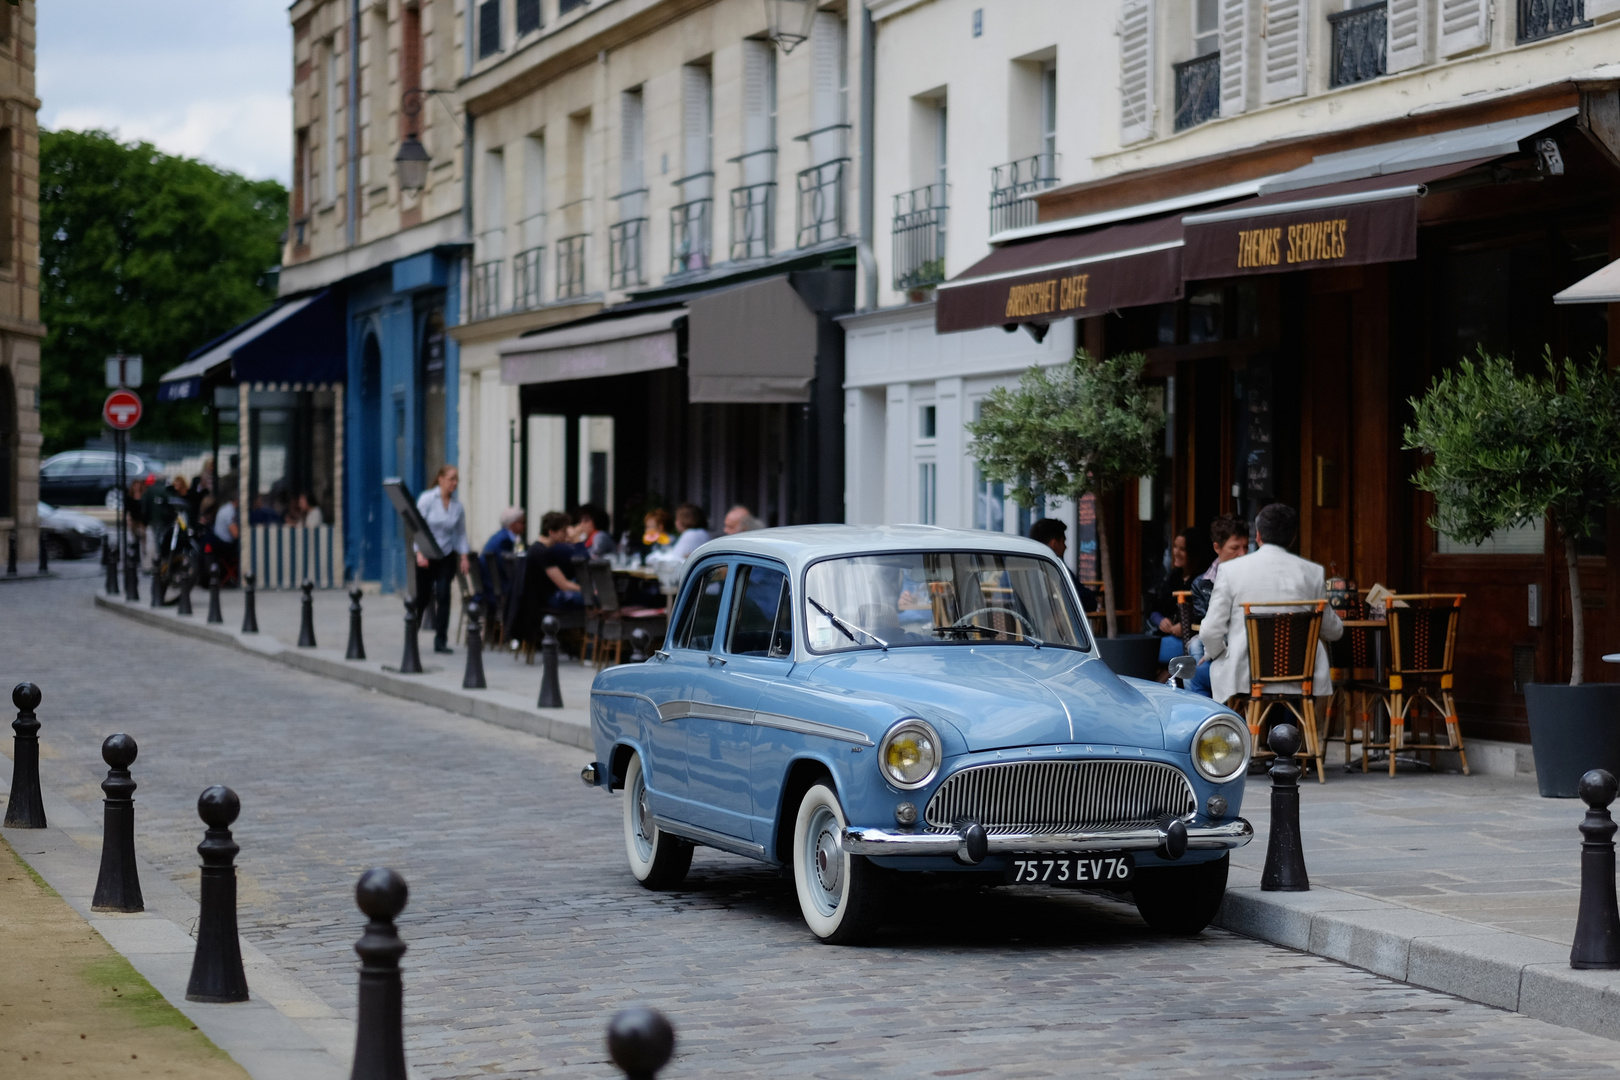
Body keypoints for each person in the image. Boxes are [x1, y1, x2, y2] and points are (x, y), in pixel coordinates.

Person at [1197, 503, 1343, 705]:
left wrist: (1216, 654)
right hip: (1301, 675)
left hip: (1246, 676)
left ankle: (1217, 732)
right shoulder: (1313, 573)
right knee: (1294, 692)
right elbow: (1333, 632)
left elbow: (1210, 630)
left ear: (1258, 536)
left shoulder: (1231, 570)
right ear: (1293, 538)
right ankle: (1290, 732)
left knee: (1196, 675)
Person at [1184, 514, 1251, 696]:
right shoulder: (1202, 583)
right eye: (1235, 548)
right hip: (1217, 643)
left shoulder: (1252, 576)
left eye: (1245, 547)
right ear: (1217, 548)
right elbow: (1205, 622)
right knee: (1197, 646)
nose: (1242, 554)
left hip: (1244, 645)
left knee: (1196, 669)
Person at [414, 464, 472, 655]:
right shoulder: (427, 499)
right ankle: (411, 633)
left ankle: (441, 640)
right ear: (440, 479)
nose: (454, 483)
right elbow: (417, 526)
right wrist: (419, 553)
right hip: (426, 553)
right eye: (450, 479)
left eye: (456, 479)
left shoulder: (457, 506)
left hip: (446, 554)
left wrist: (464, 556)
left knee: (444, 595)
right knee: (422, 597)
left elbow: (461, 533)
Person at [1148, 527, 1214, 664]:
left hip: (1189, 640)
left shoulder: (1203, 581)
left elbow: (1206, 614)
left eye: (1182, 549)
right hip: (1165, 636)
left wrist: (1186, 626)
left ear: (1194, 553)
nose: (1176, 553)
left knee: (1147, 653)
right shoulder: (1173, 577)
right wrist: (1160, 620)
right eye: (1175, 547)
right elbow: (1153, 608)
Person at [1028, 518, 1097, 613]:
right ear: (1054, 544)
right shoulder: (1055, 567)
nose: (1065, 547)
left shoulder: (1019, 567)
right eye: (1063, 542)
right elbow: (1087, 602)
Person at [525, 510, 584, 609]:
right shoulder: (543, 552)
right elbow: (564, 585)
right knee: (594, 598)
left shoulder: (536, 548)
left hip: (537, 599)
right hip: (547, 599)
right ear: (552, 532)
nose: (567, 534)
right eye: (564, 531)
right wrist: (587, 590)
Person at [480, 507, 526, 611]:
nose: (525, 526)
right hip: (495, 590)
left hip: (490, 587)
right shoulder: (505, 540)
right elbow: (517, 562)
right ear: (513, 524)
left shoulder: (501, 536)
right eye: (522, 522)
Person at [212, 490, 240, 583]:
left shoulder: (225, 508)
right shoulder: (230, 511)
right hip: (225, 546)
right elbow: (235, 534)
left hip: (219, 543)